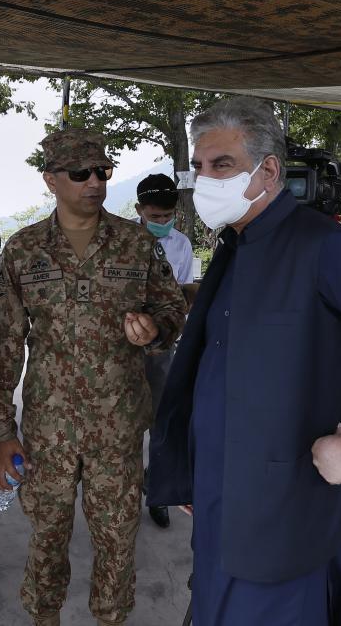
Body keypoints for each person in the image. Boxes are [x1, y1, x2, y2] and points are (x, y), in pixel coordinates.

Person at [147, 97, 341, 626]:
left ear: (268, 170)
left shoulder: (327, 249)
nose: (205, 180)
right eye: (198, 168)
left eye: (221, 165)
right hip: (222, 503)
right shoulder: (236, 246)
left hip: (284, 521)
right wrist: (195, 469)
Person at [0, 128, 188, 626]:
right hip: (48, 428)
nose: (94, 182)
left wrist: (156, 329)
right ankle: (44, 616)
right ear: (52, 179)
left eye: (103, 172)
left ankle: (110, 619)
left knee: (117, 538)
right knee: (47, 535)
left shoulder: (136, 244)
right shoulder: (25, 250)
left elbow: (173, 309)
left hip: (117, 428)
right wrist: (1, 431)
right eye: (80, 173)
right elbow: (3, 345)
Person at [133, 172, 193, 529]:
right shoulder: (120, 239)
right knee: (125, 420)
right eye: (153, 216)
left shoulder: (181, 245)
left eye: (166, 217)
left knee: (161, 420)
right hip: (123, 345)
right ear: (139, 209)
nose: (160, 223)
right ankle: (124, 486)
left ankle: (155, 488)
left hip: (162, 346)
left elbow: (182, 294)